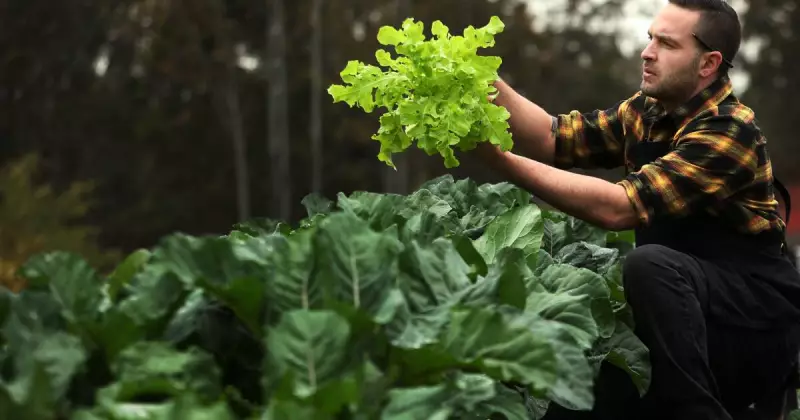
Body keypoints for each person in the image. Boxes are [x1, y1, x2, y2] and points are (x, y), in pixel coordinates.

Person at [476, 1, 800, 419]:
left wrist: (501, 162)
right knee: (576, 402)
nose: (647, 52)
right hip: (680, 314)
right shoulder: (645, 113)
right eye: (650, 38)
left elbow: (620, 208)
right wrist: (477, 75)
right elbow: (553, 137)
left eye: (667, 44)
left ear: (708, 64)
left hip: (751, 328)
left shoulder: (729, 131)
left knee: (650, 265)